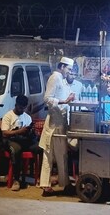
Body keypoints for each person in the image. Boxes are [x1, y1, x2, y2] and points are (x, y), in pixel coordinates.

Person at [39, 57, 75, 196]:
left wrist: (69, 99)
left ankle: (65, 183)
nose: (70, 72)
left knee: (62, 155)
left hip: (61, 123)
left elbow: (64, 100)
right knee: (48, 155)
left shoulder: (63, 81)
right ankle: (45, 185)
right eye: (69, 69)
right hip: (53, 124)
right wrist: (64, 100)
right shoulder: (54, 78)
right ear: (62, 66)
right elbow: (47, 99)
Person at [1, 94, 41, 191]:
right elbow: (4, 133)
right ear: (16, 105)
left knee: (40, 148)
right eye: (20, 107)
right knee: (16, 150)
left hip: (24, 140)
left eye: (24, 108)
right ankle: (16, 179)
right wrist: (18, 131)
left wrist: (31, 131)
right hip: (11, 140)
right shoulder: (8, 116)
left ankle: (39, 177)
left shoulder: (27, 117)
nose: (22, 110)